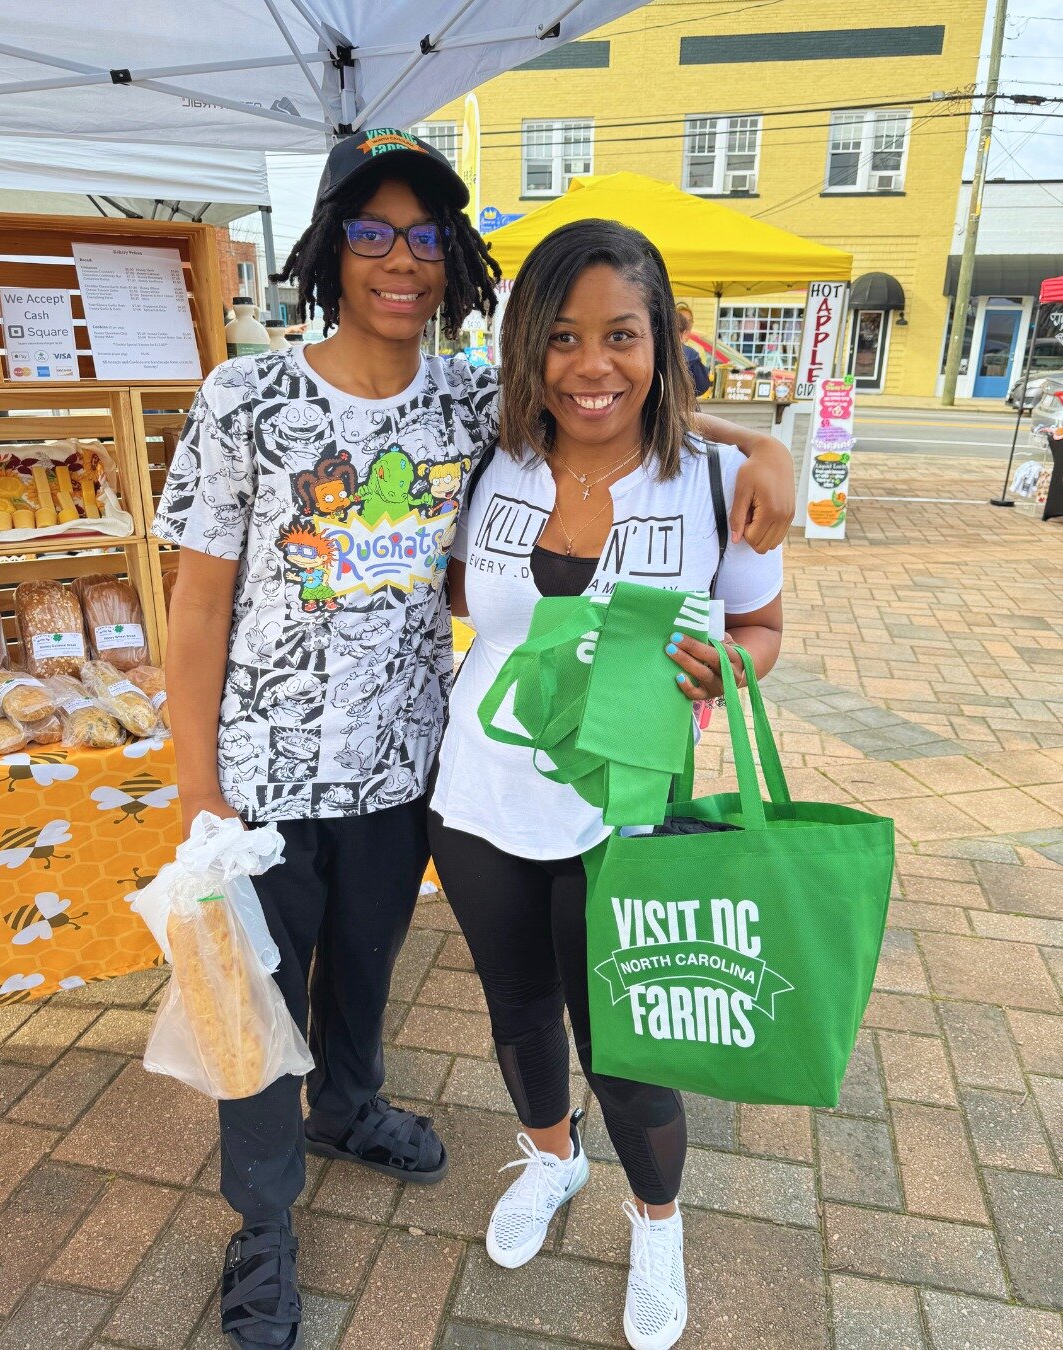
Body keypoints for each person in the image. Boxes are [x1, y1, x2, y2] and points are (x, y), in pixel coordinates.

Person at [155, 125, 793, 1349]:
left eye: (424, 235)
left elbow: (608, 399)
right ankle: (263, 1229)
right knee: (250, 1011)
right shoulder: (248, 396)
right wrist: (201, 793)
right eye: (371, 231)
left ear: (452, 259)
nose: (400, 257)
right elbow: (193, 605)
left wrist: (759, 440)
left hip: (407, 774)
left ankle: (351, 1108)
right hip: (264, 777)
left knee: (367, 982)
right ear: (327, 251)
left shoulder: (464, 405)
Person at [428, 220, 783, 1350]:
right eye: (564, 337)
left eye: (621, 336)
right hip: (479, 800)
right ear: (528, 346)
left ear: (660, 338)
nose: (594, 366)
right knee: (519, 1014)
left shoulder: (721, 482)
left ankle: (657, 1219)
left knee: (629, 1048)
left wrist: (728, 662)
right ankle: (550, 1158)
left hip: (627, 813)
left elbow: (764, 627)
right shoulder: (490, 459)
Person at [676, 304, 710, 397]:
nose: (687, 323)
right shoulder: (691, 353)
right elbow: (702, 385)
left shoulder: (697, 347)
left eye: (690, 320)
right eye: (684, 320)